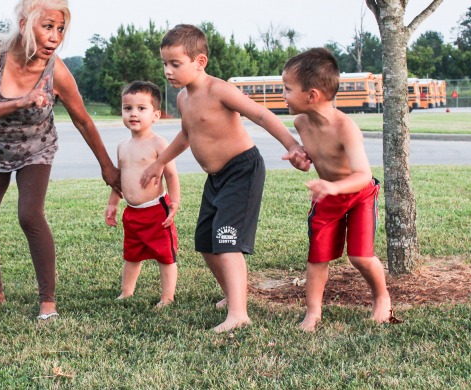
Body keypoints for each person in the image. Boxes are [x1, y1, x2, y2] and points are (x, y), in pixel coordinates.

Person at [140, 24, 310, 333]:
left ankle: (238, 313)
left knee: (227, 240)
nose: (168, 70)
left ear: (199, 61)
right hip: (216, 178)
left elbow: (261, 115)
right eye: (164, 63)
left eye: (175, 63)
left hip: (241, 170)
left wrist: (293, 145)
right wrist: (159, 162)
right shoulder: (182, 98)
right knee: (206, 241)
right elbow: (187, 134)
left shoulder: (219, 90)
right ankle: (232, 294)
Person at [0, 0, 120, 320]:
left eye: (60, 29)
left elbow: (83, 120)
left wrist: (107, 167)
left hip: (37, 149)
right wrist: (21, 101)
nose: (55, 36)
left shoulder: (57, 72)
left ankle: (47, 303)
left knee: (30, 215)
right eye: (47, 27)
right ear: (24, 25)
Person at [280, 48, 392, 332]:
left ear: (312, 95)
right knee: (317, 256)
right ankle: (313, 312)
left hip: (358, 195)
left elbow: (364, 176)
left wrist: (333, 186)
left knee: (361, 256)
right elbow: (311, 163)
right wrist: (300, 161)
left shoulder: (346, 128)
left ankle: (381, 296)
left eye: (287, 88)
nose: (283, 94)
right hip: (327, 197)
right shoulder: (301, 123)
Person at [105, 81, 180, 309]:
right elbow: (119, 180)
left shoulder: (159, 143)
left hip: (156, 211)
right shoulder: (122, 146)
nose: (133, 114)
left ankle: (167, 297)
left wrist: (174, 201)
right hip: (133, 213)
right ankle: (126, 292)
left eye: (141, 108)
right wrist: (113, 204)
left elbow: (171, 175)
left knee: (165, 255)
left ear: (156, 115)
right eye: (128, 108)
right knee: (132, 254)